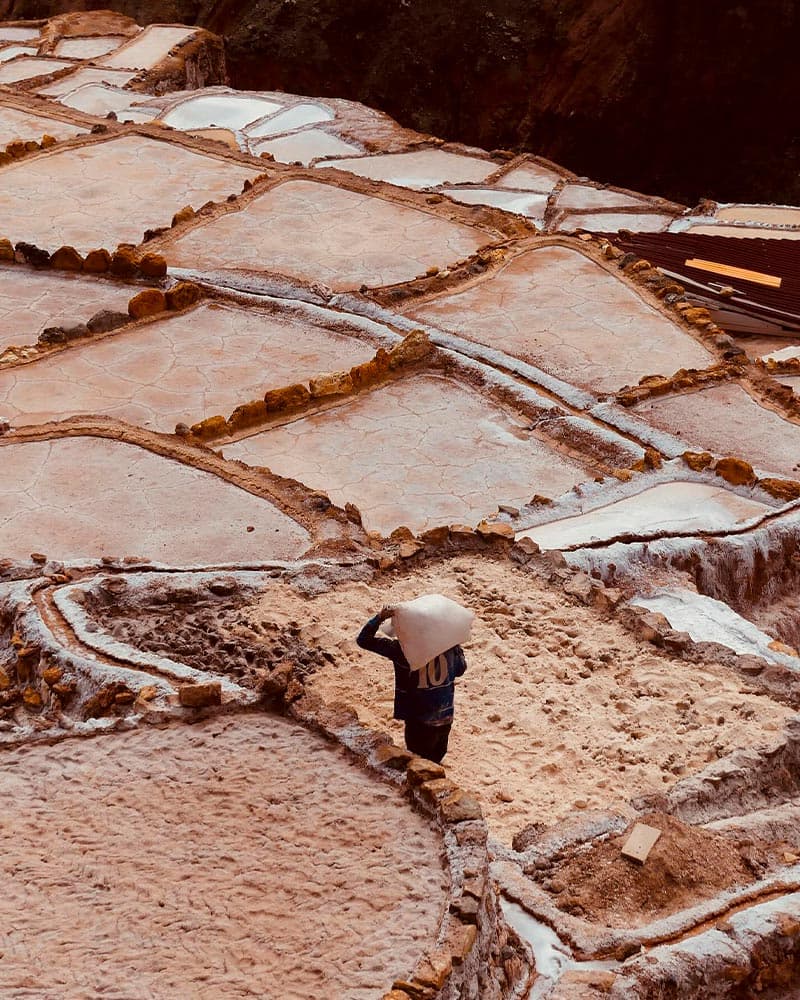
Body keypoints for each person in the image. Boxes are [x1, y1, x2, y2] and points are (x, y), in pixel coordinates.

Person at [356, 604, 467, 763]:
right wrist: (456, 645)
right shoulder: (448, 646)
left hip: (419, 720)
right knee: (435, 761)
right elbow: (460, 669)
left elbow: (363, 640)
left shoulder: (401, 650)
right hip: (445, 717)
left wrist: (380, 617)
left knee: (418, 763)